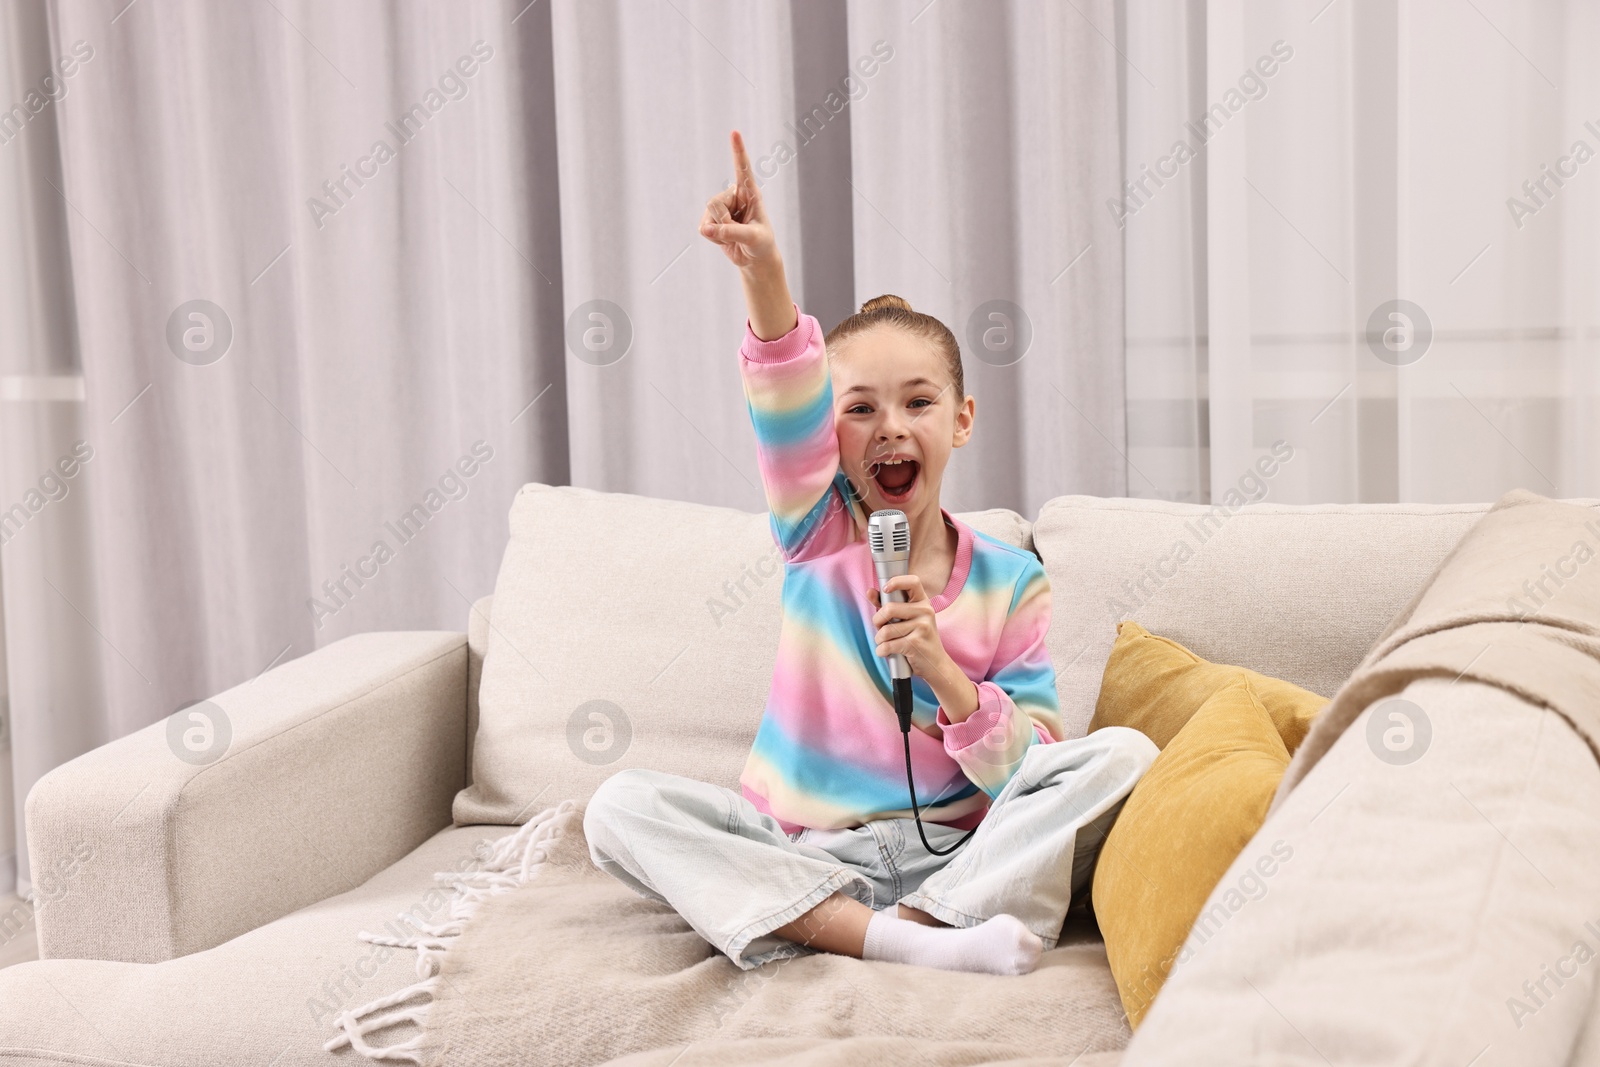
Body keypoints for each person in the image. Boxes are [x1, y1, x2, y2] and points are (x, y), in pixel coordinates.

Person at [584, 129, 1156, 977]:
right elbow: (781, 386)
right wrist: (763, 273)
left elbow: (1029, 772)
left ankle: (930, 917)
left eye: (918, 401)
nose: (890, 425)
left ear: (960, 419)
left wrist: (947, 677)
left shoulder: (1011, 581)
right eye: (859, 408)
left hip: (956, 854)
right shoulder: (816, 531)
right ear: (831, 436)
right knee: (618, 806)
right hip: (808, 855)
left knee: (1124, 756)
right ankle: (907, 941)